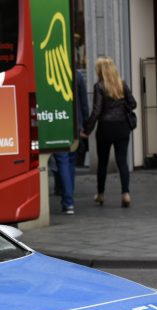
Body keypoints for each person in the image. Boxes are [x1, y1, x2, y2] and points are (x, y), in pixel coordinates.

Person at [80, 56, 137, 208]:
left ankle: (100, 194)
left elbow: (96, 111)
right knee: (122, 161)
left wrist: (87, 130)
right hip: (122, 127)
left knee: (103, 163)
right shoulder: (122, 84)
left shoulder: (99, 86)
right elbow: (133, 103)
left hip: (105, 128)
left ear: (100, 70)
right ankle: (125, 194)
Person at [52, 67, 89, 215]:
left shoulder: (52, 72)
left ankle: (68, 202)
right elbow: (84, 103)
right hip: (75, 125)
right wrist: (85, 125)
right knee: (71, 162)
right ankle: (69, 200)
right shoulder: (78, 75)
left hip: (57, 122)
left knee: (62, 161)